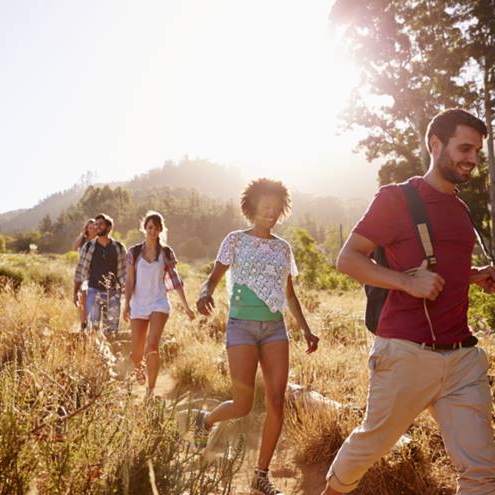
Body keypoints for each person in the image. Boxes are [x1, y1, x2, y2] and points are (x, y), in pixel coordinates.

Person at [323, 108, 495, 495]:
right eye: (464, 148)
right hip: (405, 354)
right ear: (435, 144)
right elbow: (348, 258)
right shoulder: (396, 199)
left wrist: (477, 276)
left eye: (477, 151)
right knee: (370, 443)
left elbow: (441, 269)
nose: (472, 159)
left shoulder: (460, 208)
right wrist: (406, 282)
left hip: (462, 360)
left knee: (481, 472)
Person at [195, 178, 320, 495]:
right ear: (252, 208)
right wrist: (204, 294)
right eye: (266, 208)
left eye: (277, 209)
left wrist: (306, 329)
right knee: (243, 405)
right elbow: (212, 279)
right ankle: (206, 420)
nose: (272, 214)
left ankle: (260, 475)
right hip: (241, 327)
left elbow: (289, 295)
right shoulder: (235, 241)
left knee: (277, 401)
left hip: (275, 329)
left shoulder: (283, 248)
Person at [124, 211, 195, 397]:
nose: (152, 231)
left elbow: (176, 280)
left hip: (159, 302)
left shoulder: (166, 252)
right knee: (136, 352)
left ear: (160, 230)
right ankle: (139, 368)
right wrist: (126, 305)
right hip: (138, 303)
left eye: (156, 228)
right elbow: (130, 281)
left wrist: (186, 307)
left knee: (152, 344)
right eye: (149, 227)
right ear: (144, 228)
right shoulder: (134, 252)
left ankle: (150, 390)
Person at [73, 214, 127, 337]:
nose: (97, 227)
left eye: (101, 224)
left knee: (112, 331)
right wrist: (75, 292)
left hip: (113, 293)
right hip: (93, 291)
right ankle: (94, 355)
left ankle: (109, 353)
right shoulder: (88, 247)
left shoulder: (119, 248)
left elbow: (124, 274)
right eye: (96, 224)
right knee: (93, 329)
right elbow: (80, 270)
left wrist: (128, 293)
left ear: (109, 227)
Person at [73, 219, 98, 331]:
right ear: (87, 229)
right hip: (84, 271)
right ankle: (83, 324)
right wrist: (82, 234)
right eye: (90, 228)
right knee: (83, 296)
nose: (92, 230)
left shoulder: (99, 241)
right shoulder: (84, 241)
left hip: (95, 272)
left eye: (94, 228)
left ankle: (93, 324)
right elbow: (74, 247)